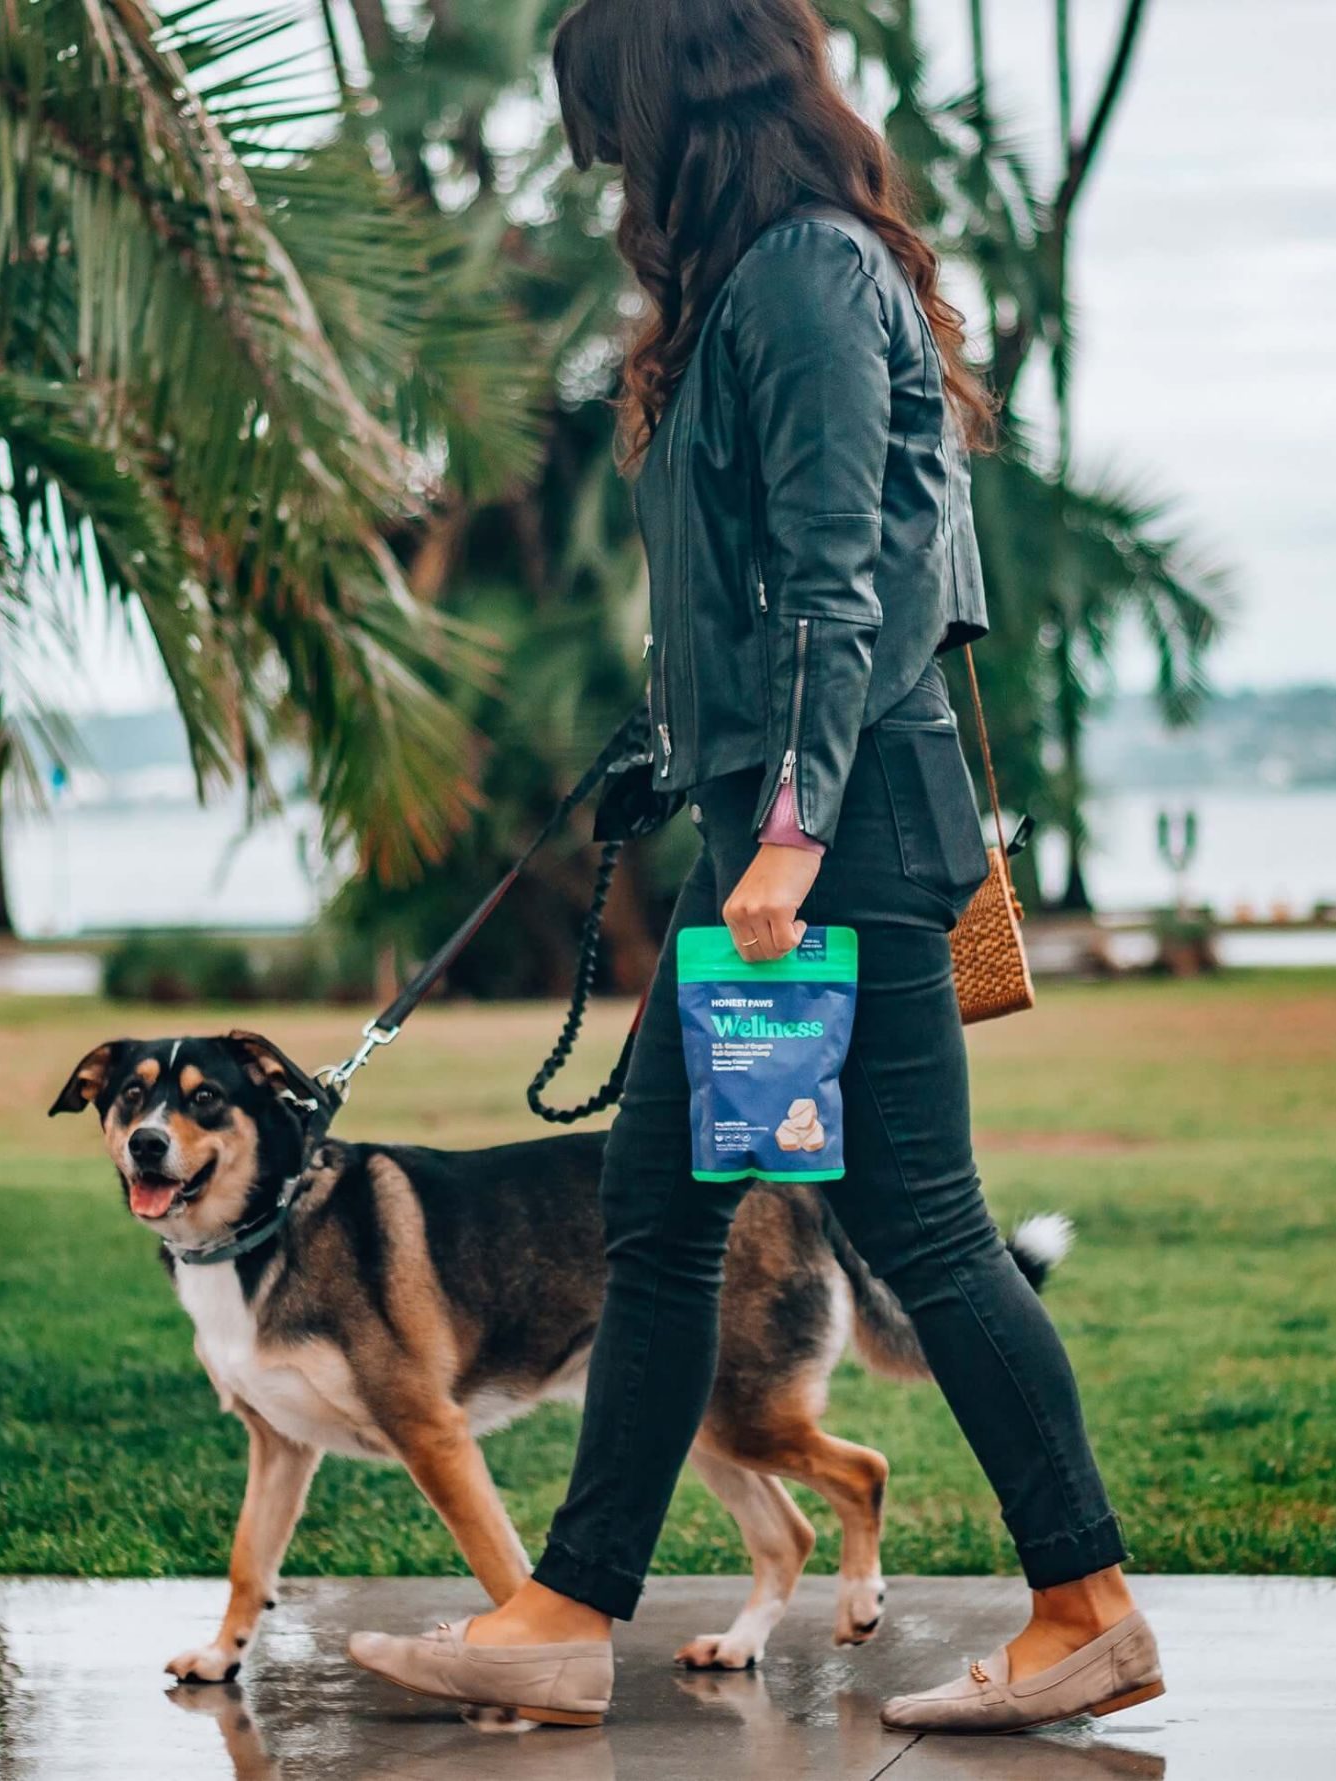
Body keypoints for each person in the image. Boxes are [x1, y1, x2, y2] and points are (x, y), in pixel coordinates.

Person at [346, 0, 1161, 1736]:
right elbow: (761, 591)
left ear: (676, 104)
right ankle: (568, 1612)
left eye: (618, 141)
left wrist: (779, 828)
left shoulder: (798, 273)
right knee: (659, 1220)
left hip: (838, 839)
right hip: (797, 819)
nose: (617, 185)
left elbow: (827, 582)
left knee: (924, 1226)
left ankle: (1088, 1601)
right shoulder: (764, 283)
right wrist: (681, 749)